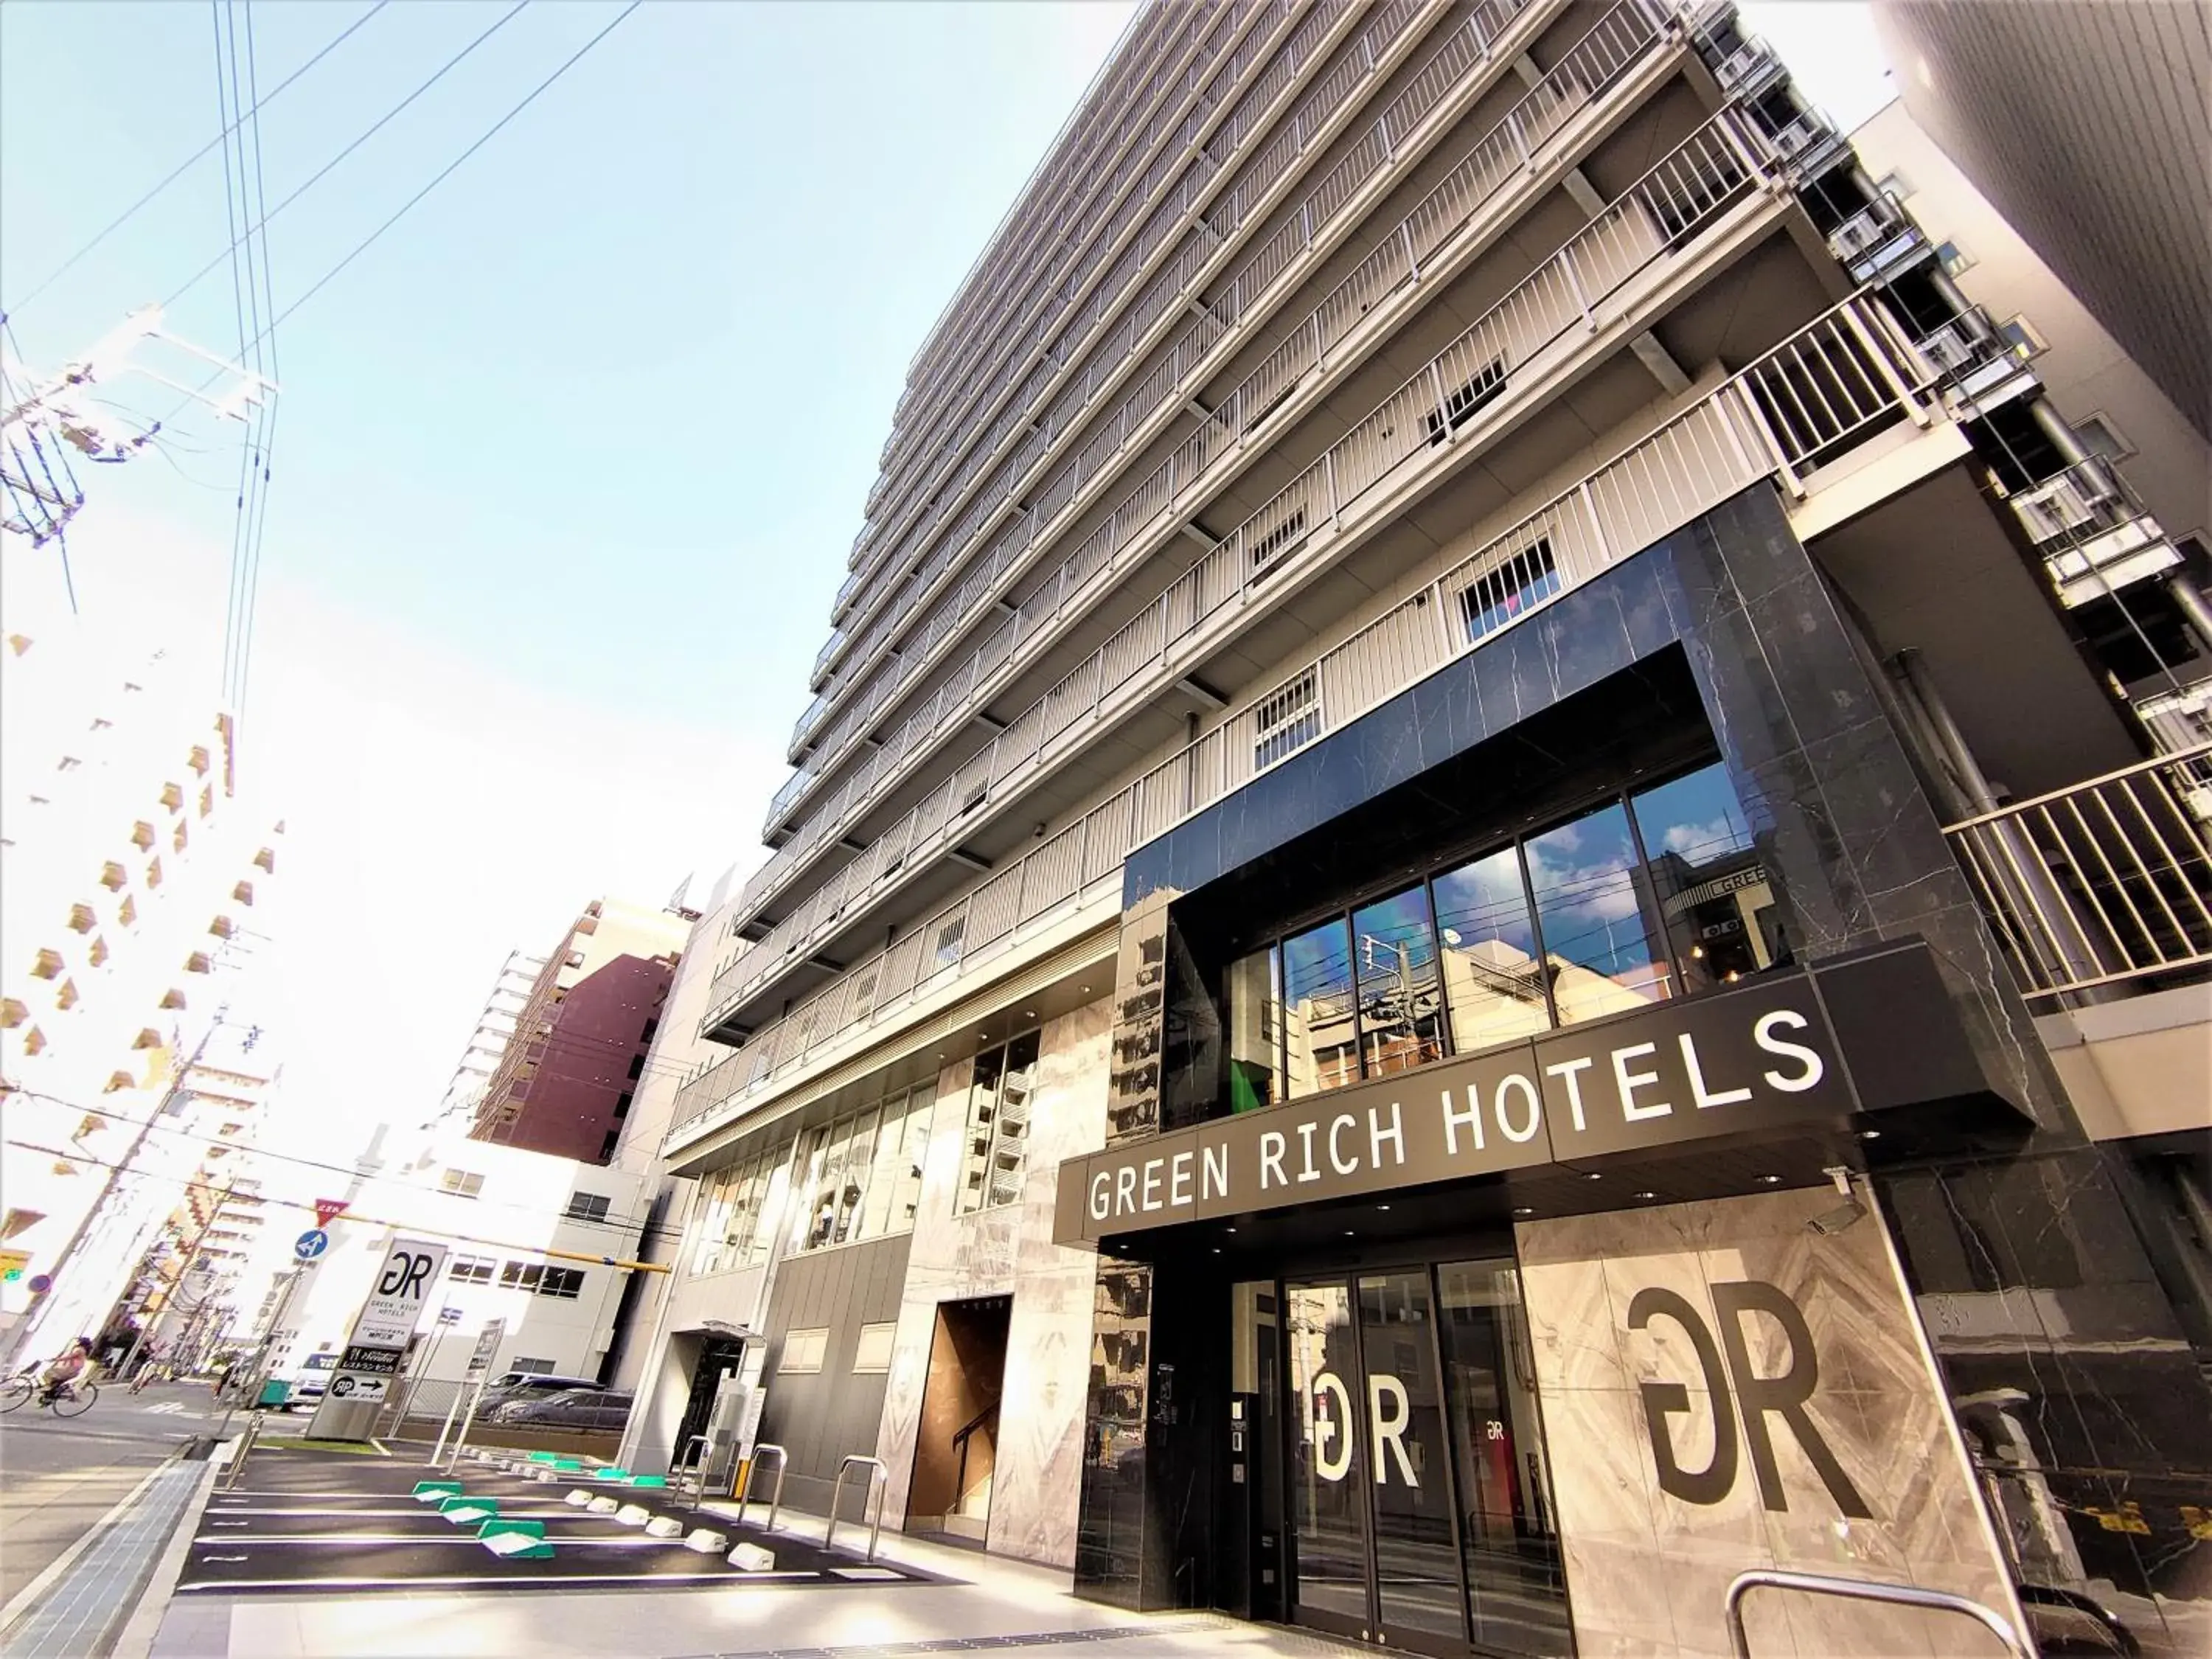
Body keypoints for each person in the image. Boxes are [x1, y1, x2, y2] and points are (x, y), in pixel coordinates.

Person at [40, 1338, 94, 1403]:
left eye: (79, 1341)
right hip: (73, 1370)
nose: (77, 1342)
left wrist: (55, 1359)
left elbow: (69, 1357)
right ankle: (50, 1395)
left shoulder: (80, 1350)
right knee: (56, 1380)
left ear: (81, 1343)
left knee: (49, 1372)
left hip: (71, 1370)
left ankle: (52, 1394)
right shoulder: (83, 1350)